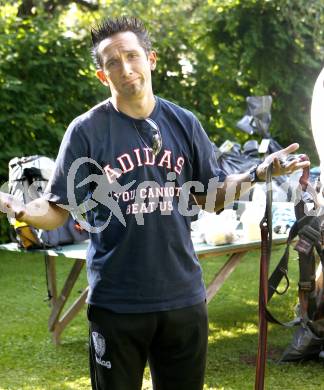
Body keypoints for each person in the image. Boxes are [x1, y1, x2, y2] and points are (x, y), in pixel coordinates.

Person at [0, 16, 310, 390]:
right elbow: (55, 210)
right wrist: (18, 208)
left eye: (132, 56)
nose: (125, 68)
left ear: (151, 59)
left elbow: (209, 197)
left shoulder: (184, 123)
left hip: (182, 298)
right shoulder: (86, 131)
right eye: (112, 62)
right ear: (103, 76)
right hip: (117, 303)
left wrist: (258, 174)